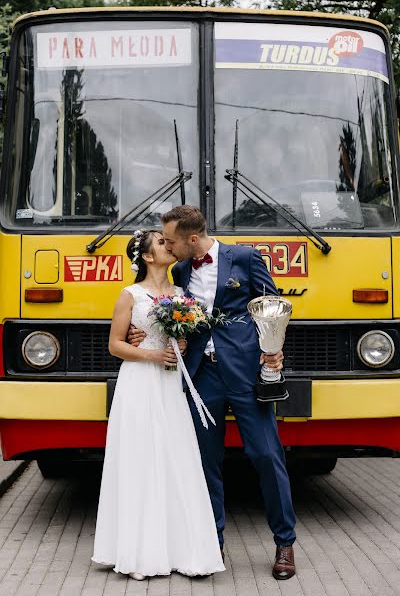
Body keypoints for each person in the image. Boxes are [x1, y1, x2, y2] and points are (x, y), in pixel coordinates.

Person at [129, 206, 297, 580]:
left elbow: (274, 308)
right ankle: (212, 542)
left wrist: (274, 351)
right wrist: (138, 334)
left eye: (171, 240)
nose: (168, 247)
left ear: (192, 238)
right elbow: (160, 309)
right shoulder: (181, 271)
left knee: (266, 454)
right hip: (201, 377)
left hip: (245, 373)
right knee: (204, 462)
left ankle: (285, 542)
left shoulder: (246, 258)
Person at [92, 229, 225, 580]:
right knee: (141, 459)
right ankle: (140, 550)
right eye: (162, 243)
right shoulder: (129, 295)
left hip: (170, 385)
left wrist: (179, 344)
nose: (170, 245)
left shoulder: (181, 293)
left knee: (174, 456)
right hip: (139, 383)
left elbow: (182, 339)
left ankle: (179, 547)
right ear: (148, 256)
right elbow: (115, 346)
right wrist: (154, 353)